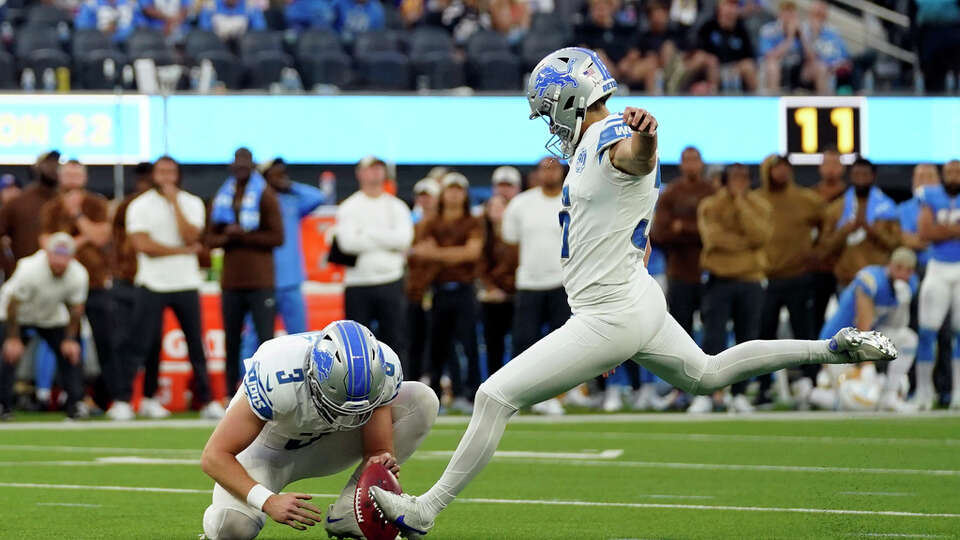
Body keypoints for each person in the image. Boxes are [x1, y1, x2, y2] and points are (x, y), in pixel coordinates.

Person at [370, 47, 895, 536]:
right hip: (633, 299)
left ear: (570, 100)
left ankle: (426, 509)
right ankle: (829, 348)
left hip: (610, 312)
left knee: (493, 395)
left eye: (549, 109)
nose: (549, 123)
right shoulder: (591, 144)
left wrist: (646, 138)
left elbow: (635, 156)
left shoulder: (609, 136)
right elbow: (632, 223)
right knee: (706, 374)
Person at [199, 320, 439, 540]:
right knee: (231, 528)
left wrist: (381, 462)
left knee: (422, 400)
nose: (346, 417)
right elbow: (214, 455)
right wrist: (268, 501)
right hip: (267, 452)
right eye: (337, 406)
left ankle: (349, 512)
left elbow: (377, 449)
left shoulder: (383, 368)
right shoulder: (278, 372)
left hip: (327, 445)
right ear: (313, 377)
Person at [118, 156, 223, 420]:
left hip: (186, 282)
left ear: (177, 175)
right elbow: (144, 246)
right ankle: (125, 400)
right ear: (153, 174)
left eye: (171, 171)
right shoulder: (139, 205)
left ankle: (207, 400)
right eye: (161, 171)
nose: (166, 176)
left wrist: (174, 203)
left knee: (195, 344)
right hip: (151, 283)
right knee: (142, 344)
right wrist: (182, 251)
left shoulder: (191, 202)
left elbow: (191, 236)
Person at [39, 160, 116, 413]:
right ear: (60, 177)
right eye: (67, 174)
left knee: (107, 341)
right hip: (60, 287)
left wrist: (77, 217)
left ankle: (108, 400)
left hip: (95, 283)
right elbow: (47, 244)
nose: (72, 179)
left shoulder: (96, 203)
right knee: (66, 343)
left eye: (76, 174)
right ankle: (72, 398)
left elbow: (101, 236)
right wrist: (82, 240)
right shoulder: (51, 207)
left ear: (85, 177)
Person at [695, 163, 771, 414]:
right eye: (735, 177)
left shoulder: (759, 205)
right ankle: (708, 394)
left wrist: (740, 204)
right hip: (720, 280)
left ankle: (739, 394)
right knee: (712, 338)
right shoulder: (710, 205)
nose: (740, 182)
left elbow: (760, 236)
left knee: (747, 340)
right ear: (726, 180)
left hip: (750, 281)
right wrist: (746, 245)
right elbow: (714, 239)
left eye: (744, 177)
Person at [208, 148, 284, 397]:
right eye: (237, 164)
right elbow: (209, 238)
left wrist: (245, 235)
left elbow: (278, 236)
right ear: (231, 167)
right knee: (231, 340)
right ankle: (231, 393)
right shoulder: (222, 196)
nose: (240, 168)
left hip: (260, 279)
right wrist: (226, 236)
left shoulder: (265, 195)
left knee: (265, 341)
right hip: (231, 281)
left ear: (252, 167)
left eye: (245, 164)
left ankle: (268, 391)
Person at [239, 158, 326, 362]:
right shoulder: (255, 202)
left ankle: (306, 386)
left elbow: (318, 197)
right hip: (262, 282)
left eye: (282, 173)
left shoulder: (291, 199)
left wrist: (289, 186)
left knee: (302, 338)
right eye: (275, 173)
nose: (281, 177)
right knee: (254, 339)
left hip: (291, 281)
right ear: (264, 176)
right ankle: (247, 387)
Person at [753, 155, 824, 405]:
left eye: (785, 168)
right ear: (767, 171)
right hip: (767, 279)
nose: (781, 173)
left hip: (799, 276)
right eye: (776, 168)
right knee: (762, 336)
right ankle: (763, 387)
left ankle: (812, 385)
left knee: (805, 334)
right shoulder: (756, 200)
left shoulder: (806, 199)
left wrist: (815, 254)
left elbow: (827, 224)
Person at [813, 248, 919, 412]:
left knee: (908, 338)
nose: (903, 274)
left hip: (867, 342)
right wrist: (867, 366)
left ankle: (890, 395)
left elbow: (896, 327)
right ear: (890, 265)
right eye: (899, 268)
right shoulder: (871, 280)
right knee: (861, 403)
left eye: (909, 270)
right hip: (838, 344)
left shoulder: (910, 284)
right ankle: (812, 395)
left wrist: (902, 304)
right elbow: (864, 326)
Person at [335, 156, 413, 378]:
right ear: (360, 173)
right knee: (357, 346)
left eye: (378, 168)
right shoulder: (349, 207)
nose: (374, 173)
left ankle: (400, 388)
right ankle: (359, 391)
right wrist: (387, 238)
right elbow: (347, 244)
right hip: (358, 283)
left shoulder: (396, 206)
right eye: (369, 169)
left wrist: (366, 233)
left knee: (396, 339)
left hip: (391, 280)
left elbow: (404, 239)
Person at [501, 156, 568, 414]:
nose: (549, 173)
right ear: (537, 173)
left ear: (562, 172)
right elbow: (510, 242)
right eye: (544, 168)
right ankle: (517, 395)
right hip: (529, 282)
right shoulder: (521, 204)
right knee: (523, 340)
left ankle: (556, 394)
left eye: (554, 168)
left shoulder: (573, 199)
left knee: (560, 343)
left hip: (562, 282)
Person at [415, 172, 484, 412]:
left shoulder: (473, 221)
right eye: (450, 189)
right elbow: (421, 252)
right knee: (437, 346)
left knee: (470, 345)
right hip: (439, 290)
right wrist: (457, 253)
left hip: (464, 290)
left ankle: (471, 394)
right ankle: (434, 397)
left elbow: (473, 253)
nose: (454, 194)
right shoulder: (431, 222)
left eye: (459, 190)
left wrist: (439, 254)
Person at [0, 233, 88, 420]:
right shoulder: (29, 268)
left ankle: (75, 404)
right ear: (47, 254)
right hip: (16, 314)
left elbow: (76, 308)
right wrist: (13, 338)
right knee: (8, 354)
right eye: (56, 257)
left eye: (64, 259)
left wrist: (70, 339)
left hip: (50, 315)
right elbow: (13, 304)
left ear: (71, 258)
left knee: (71, 353)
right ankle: (3, 405)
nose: (59, 263)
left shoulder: (78, 274)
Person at [106, 162, 154, 421]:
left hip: (153, 282)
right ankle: (122, 398)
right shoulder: (129, 205)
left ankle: (148, 397)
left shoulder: (162, 206)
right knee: (123, 341)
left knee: (151, 342)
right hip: (127, 281)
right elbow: (116, 239)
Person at [650, 146, 714, 336]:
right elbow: (659, 234)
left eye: (695, 159)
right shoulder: (670, 194)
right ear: (681, 164)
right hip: (678, 273)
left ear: (701, 163)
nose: (691, 165)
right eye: (687, 160)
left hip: (710, 273)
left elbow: (717, 233)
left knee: (712, 333)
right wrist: (699, 230)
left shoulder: (712, 192)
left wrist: (682, 227)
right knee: (680, 333)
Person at [914, 160, 960, 411]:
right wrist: (953, 231)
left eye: (958, 172)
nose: (954, 176)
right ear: (943, 175)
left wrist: (942, 230)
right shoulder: (929, 194)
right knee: (927, 330)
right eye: (950, 172)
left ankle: (958, 393)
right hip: (938, 268)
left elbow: (934, 230)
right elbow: (924, 232)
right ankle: (923, 392)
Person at [818, 158, 901, 288]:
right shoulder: (836, 208)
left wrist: (872, 230)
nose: (860, 179)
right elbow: (824, 249)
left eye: (865, 175)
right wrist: (845, 231)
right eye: (856, 175)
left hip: (878, 280)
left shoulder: (887, 207)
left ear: (873, 176)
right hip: (846, 280)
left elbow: (896, 244)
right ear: (850, 176)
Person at [0, 151, 61, 279]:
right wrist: (9, 267)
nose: (53, 168)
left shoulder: (65, 202)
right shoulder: (19, 202)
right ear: (37, 167)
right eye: (48, 163)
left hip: (60, 277)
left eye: (56, 163)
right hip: (25, 279)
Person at [478, 194, 516, 379]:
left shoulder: (515, 237)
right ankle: (493, 383)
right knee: (493, 345)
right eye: (492, 206)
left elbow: (517, 264)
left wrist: (505, 289)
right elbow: (479, 267)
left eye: (501, 205)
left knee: (520, 343)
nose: (496, 210)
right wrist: (491, 287)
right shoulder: (482, 236)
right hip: (490, 298)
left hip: (514, 296)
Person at [811, 148, 846, 334]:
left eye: (835, 164)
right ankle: (812, 363)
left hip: (844, 266)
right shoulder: (810, 197)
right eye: (827, 164)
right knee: (814, 319)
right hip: (817, 267)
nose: (831, 169)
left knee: (848, 318)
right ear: (820, 167)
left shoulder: (852, 197)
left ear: (842, 168)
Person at [758, 0, 826, 93]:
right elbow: (770, 56)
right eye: (786, 11)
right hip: (779, 67)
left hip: (798, 68)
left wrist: (802, 36)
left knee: (820, 67)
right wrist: (790, 38)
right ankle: (774, 99)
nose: (789, 15)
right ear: (780, 14)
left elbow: (812, 58)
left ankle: (823, 103)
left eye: (791, 11)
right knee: (772, 65)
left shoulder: (804, 29)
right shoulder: (768, 30)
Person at [695, 0, 757, 92]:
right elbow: (699, 51)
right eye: (727, 5)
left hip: (735, 68)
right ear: (719, 8)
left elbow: (750, 57)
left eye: (734, 6)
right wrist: (710, 60)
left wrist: (737, 67)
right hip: (714, 69)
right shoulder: (708, 27)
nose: (730, 10)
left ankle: (757, 100)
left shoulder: (742, 30)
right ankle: (713, 97)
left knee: (748, 66)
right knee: (711, 63)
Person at [198, 0, 266, 42]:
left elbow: (260, 30)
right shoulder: (211, 6)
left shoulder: (250, 6)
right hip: (217, 45)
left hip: (244, 47)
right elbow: (205, 31)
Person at [74, 0, 140, 43]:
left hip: (126, 44)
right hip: (99, 43)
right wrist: (102, 31)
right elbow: (82, 26)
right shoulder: (91, 4)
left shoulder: (129, 3)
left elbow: (138, 25)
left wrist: (118, 29)